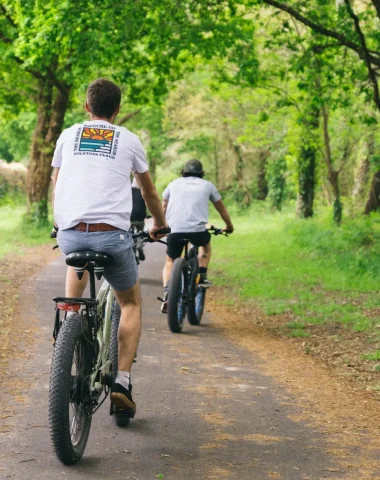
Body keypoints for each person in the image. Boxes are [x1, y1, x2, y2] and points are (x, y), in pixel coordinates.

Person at [52, 78, 168, 417]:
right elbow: (148, 193)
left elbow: (57, 182)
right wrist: (159, 224)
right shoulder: (129, 140)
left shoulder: (68, 135)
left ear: (87, 106)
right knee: (130, 302)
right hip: (112, 237)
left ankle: (67, 337)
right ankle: (121, 381)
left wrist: (60, 222)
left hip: (71, 234)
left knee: (74, 291)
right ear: (117, 111)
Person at [160, 159, 234, 313]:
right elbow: (221, 209)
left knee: (170, 261)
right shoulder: (207, 185)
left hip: (174, 230)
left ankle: (168, 293)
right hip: (198, 232)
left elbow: (164, 205)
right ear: (201, 173)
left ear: (183, 172)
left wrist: (160, 224)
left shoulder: (173, 184)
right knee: (205, 247)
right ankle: (202, 274)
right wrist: (229, 226)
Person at [130, 176, 147, 262]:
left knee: (131, 235)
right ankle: (140, 246)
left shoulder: (128, 191)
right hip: (140, 218)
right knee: (141, 233)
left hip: (130, 218)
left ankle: (133, 255)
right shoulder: (143, 191)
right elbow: (145, 206)